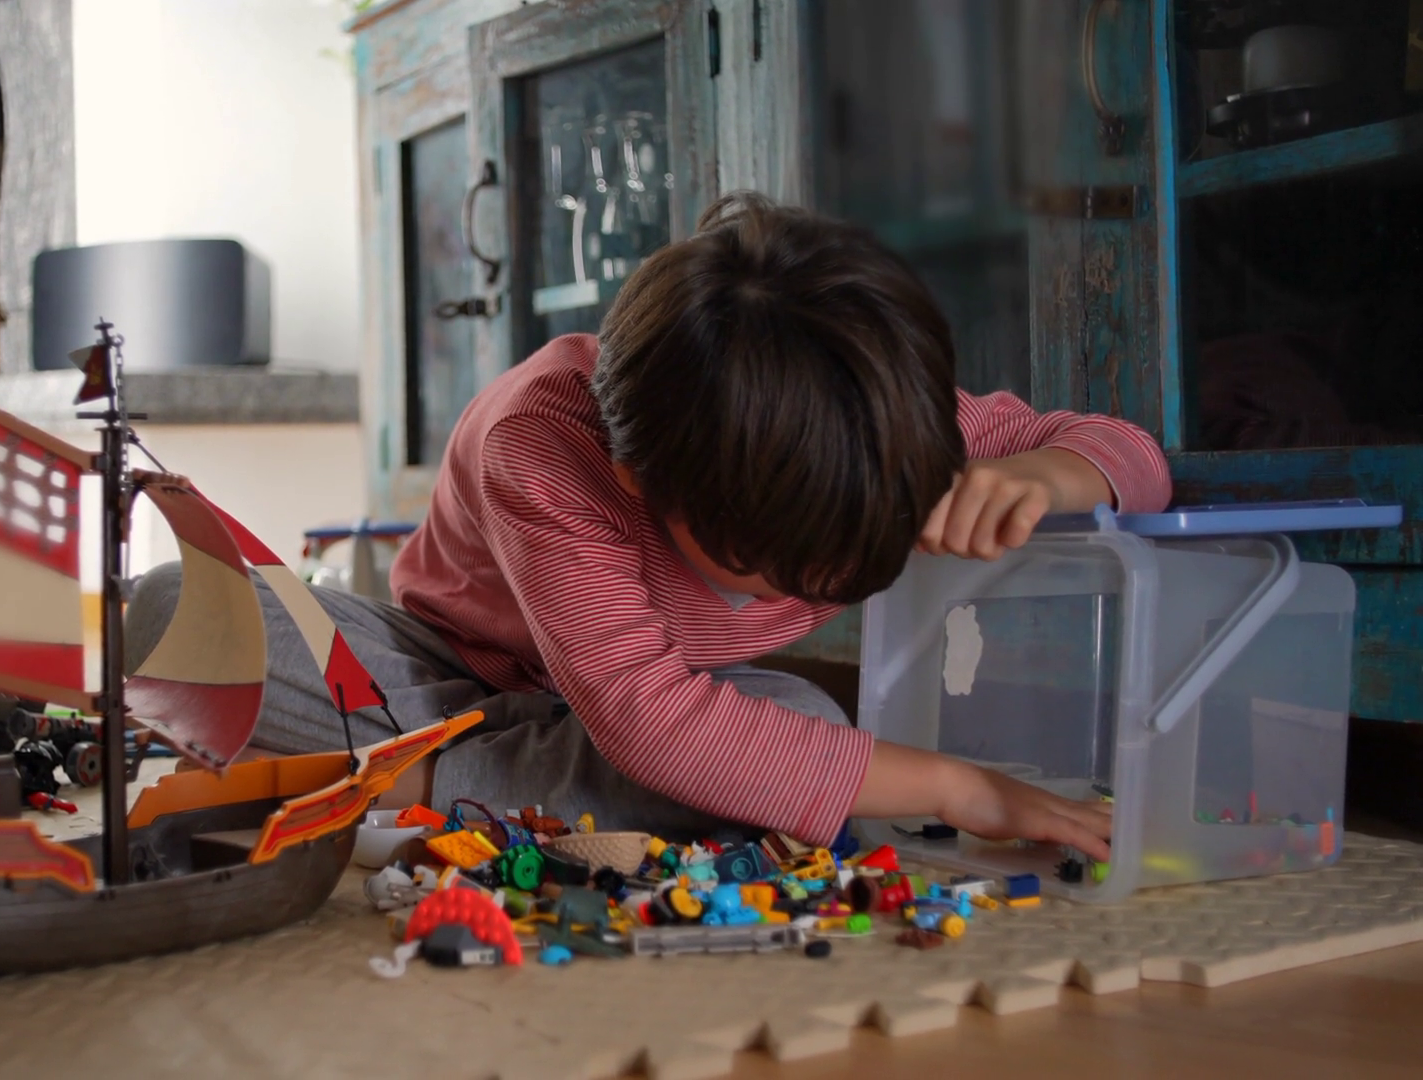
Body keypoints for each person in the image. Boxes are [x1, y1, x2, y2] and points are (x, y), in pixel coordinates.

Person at [128, 193, 1169, 859]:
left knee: (801, 721)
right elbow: (646, 718)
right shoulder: (539, 444)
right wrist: (958, 788)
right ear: (637, 480)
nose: (820, 585)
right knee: (174, 611)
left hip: (637, 709)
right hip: (450, 677)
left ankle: (403, 784)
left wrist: (1048, 471)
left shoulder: (875, 419)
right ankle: (450, 776)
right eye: (771, 566)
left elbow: (1138, 458)